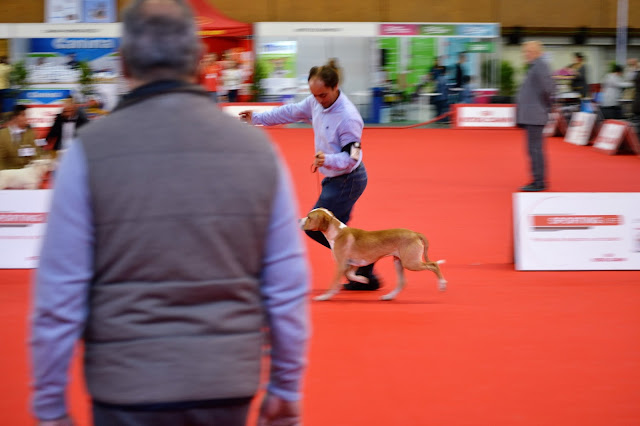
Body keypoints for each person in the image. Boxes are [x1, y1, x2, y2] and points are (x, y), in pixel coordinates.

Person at [30, 1, 310, 426]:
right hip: (224, 384)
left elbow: (59, 296)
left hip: (125, 387)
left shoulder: (88, 153)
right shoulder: (259, 152)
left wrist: (50, 405)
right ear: (200, 62)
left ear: (123, 64)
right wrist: (286, 388)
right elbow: (286, 288)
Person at [239, 62, 381, 291]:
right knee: (338, 230)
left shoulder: (348, 117)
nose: (318, 100)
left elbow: (351, 158)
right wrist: (256, 118)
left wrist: (328, 159)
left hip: (348, 180)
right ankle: (365, 268)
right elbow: (289, 112)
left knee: (313, 227)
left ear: (335, 87)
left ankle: (364, 265)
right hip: (333, 178)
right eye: (314, 95)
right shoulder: (315, 102)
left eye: (323, 95)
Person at [516, 41, 554, 192]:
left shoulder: (540, 65)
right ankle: (538, 180)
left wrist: (543, 106)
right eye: (525, 52)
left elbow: (549, 88)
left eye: (528, 51)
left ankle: (539, 182)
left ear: (536, 52)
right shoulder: (536, 65)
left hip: (535, 114)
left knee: (535, 149)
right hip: (533, 114)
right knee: (533, 149)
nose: (525, 54)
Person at [0, 104, 39, 170]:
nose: (27, 118)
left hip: (27, 172)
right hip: (8, 172)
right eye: (23, 115)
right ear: (15, 118)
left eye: (28, 115)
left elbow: (36, 155)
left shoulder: (31, 133)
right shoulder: (2, 135)